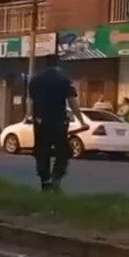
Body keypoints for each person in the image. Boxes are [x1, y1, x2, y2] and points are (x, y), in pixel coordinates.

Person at [27, 57, 88, 192]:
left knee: (42, 151)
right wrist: (81, 120)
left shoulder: (35, 80)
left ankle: (45, 181)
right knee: (63, 151)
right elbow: (72, 102)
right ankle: (56, 178)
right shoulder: (63, 80)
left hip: (40, 121)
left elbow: (31, 101)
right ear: (58, 66)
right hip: (58, 121)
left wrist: (30, 116)